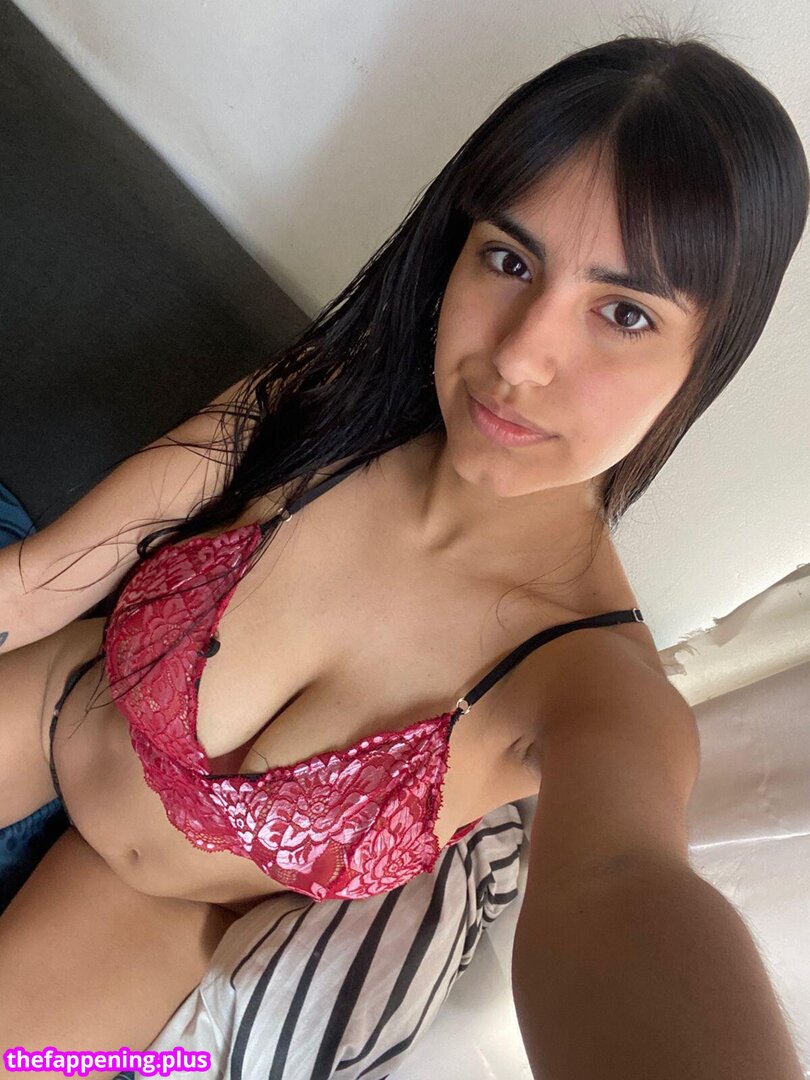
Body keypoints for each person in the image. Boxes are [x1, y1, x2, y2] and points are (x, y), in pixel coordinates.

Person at [1, 24, 807, 1078]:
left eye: (623, 313)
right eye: (509, 260)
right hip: (53, 709)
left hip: (148, 906)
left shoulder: (589, 691)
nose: (520, 356)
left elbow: (621, 882)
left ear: (705, 363)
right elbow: (39, 581)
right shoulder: (328, 403)